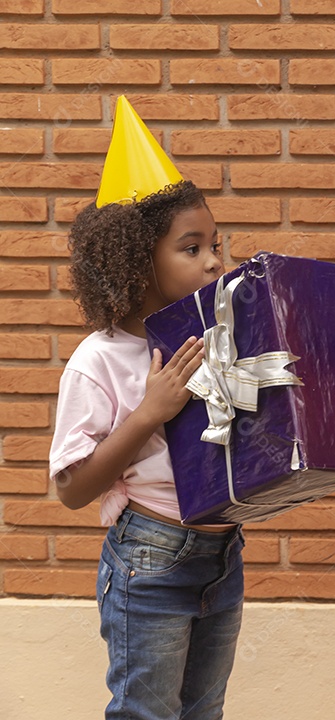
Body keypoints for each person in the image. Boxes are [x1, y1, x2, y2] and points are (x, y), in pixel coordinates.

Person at [49, 96, 242, 719]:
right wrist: (147, 413)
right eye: (192, 248)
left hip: (223, 552)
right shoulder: (98, 359)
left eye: (215, 244)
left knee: (204, 711)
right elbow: (73, 490)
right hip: (150, 559)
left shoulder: (216, 338)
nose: (214, 260)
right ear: (137, 260)